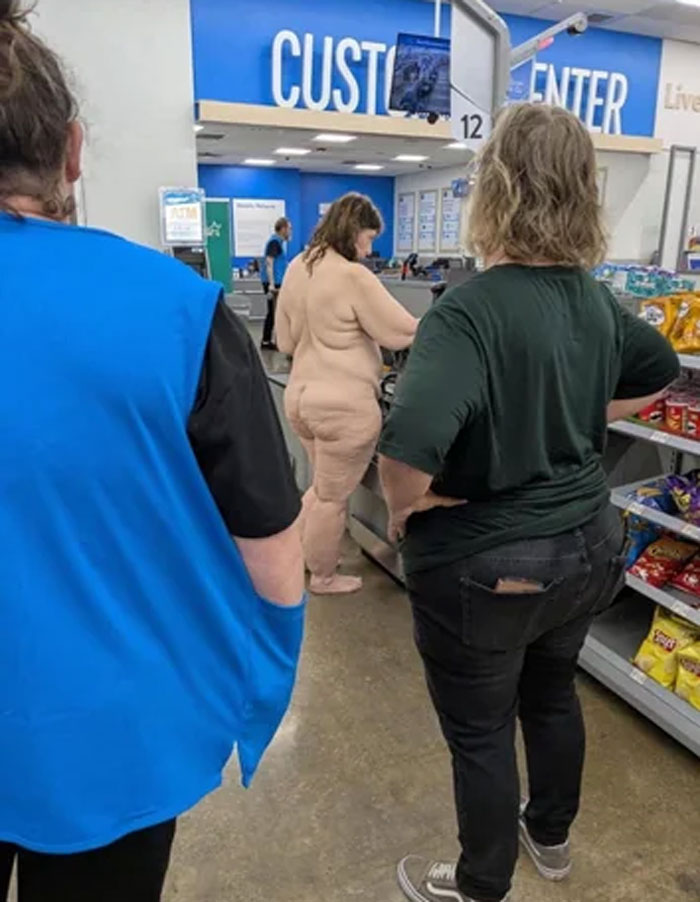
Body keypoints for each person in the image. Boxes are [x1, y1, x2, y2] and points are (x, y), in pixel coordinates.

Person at [0, 3, 306, 900]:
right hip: (115, 737)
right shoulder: (180, 312)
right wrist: (245, 695)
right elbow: (275, 566)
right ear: (73, 150)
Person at [378, 103, 680, 902]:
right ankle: (550, 839)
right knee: (550, 696)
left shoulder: (468, 310)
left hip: (490, 563)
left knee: (479, 730)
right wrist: (585, 418)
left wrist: (415, 505)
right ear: (584, 190)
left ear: (493, 188)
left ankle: (481, 884)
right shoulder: (594, 300)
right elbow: (657, 375)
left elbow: (406, 446)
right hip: (588, 544)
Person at [276, 193, 418, 595]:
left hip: (301, 397)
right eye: (368, 238)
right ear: (352, 230)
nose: (370, 249)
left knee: (321, 489)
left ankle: (300, 555)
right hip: (344, 405)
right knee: (332, 498)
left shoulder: (297, 267)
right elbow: (400, 332)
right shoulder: (352, 276)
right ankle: (322, 575)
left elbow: (284, 341)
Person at [260, 216, 292, 350]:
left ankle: (270, 340)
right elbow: (269, 263)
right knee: (274, 313)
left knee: (275, 312)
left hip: (278, 282)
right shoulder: (274, 242)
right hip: (274, 283)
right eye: (289, 228)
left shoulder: (278, 243)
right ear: (283, 229)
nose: (290, 231)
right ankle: (267, 341)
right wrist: (272, 285)